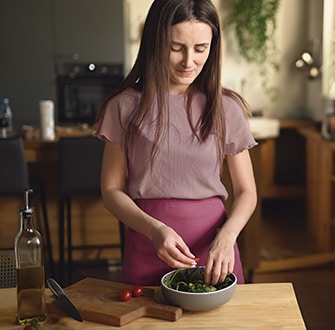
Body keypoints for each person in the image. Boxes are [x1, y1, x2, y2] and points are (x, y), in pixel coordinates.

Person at [94, 0, 257, 286]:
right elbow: (111, 190)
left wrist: (228, 237)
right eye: (176, 47)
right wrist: (156, 230)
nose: (188, 61)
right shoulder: (123, 106)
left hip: (215, 249)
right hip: (149, 243)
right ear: (155, 42)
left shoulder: (226, 107)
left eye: (200, 49)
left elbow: (246, 191)